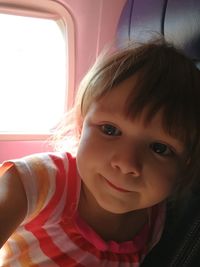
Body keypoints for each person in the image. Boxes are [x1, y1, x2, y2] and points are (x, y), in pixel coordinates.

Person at [1, 38, 200, 267]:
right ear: (80, 127)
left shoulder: (157, 221)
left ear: (186, 163)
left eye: (160, 148)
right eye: (110, 129)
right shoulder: (36, 182)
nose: (126, 163)